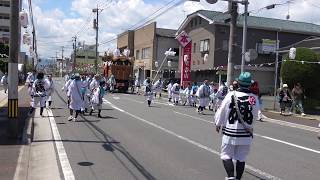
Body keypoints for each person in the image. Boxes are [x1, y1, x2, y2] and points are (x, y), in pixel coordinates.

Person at [215, 72, 260, 180]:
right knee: (241, 158)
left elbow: (222, 111)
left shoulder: (231, 95)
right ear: (250, 84)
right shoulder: (254, 98)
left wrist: (218, 123)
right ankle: (238, 178)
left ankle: (231, 177)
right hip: (246, 132)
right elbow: (255, 114)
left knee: (226, 155)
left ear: (238, 83)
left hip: (230, 131)